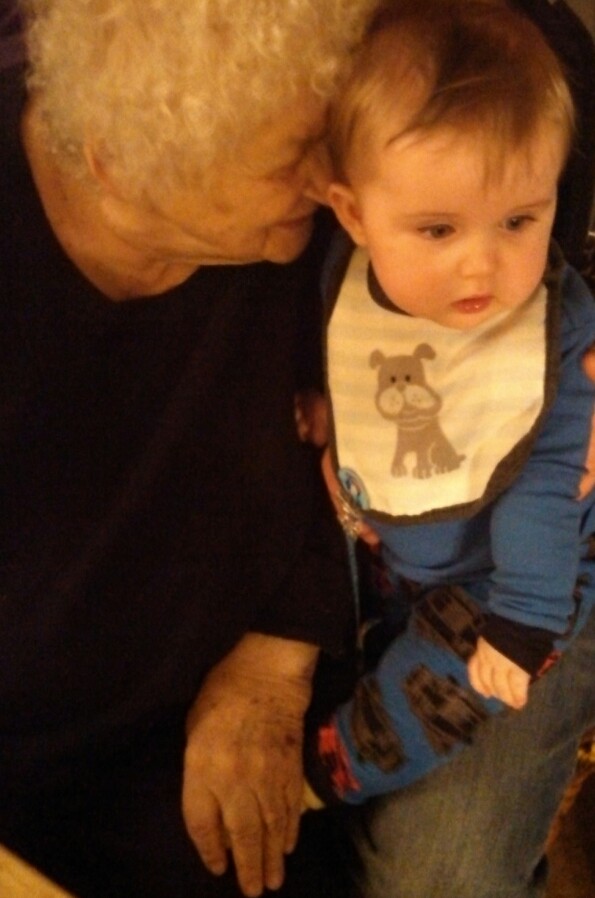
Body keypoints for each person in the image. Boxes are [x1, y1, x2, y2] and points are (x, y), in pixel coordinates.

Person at [0, 2, 378, 897]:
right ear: (121, 166)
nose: (332, 182)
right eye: (292, 160)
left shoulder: (320, 229)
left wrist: (278, 649)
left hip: (216, 726)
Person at [297, 1, 595, 895]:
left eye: (519, 221)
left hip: (509, 581)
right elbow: (347, 366)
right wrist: (328, 410)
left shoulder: (552, 328)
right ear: (352, 214)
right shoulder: (345, 279)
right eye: (438, 230)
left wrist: (524, 617)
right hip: (391, 561)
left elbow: (551, 480)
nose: (482, 267)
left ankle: (332, 768)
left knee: (448, 694)